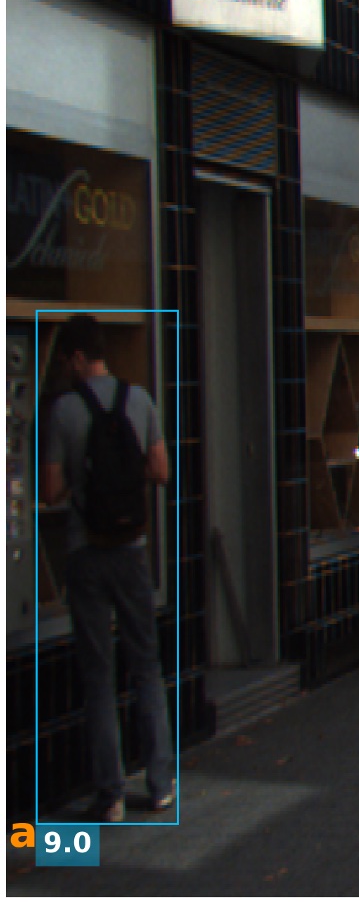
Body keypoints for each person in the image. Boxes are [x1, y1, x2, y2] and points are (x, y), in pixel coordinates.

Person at [38, 314, 174, 823]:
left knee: (98, 675)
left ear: (77, 358)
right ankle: (160, 784)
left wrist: (85, 478)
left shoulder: (64, 410)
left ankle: (111, 795)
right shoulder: (140, 400)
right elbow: (161, 471)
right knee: (146, 666)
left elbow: (50, 491)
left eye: (64, 361)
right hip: (131, 551)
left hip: (85, 554)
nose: (64, 370)